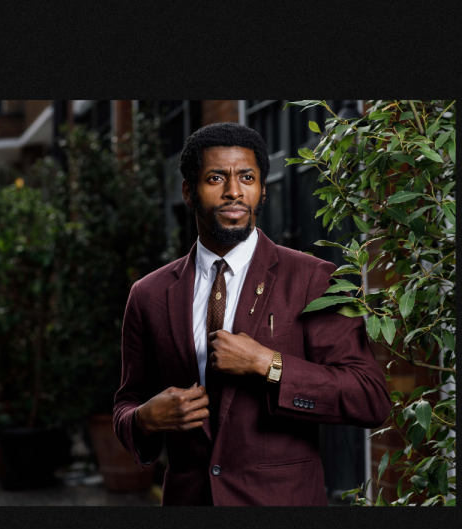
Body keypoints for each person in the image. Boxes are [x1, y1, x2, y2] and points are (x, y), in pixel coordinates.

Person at [113, 122, 390, 506]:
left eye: (247, 177)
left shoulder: (312, 279)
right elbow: (127, 402)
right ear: (188, 191)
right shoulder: (149, 294)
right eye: (215, 178)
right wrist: (143, 419)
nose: (233, 192)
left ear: (261, 189)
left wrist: (270, 364)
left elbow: (369, 397)